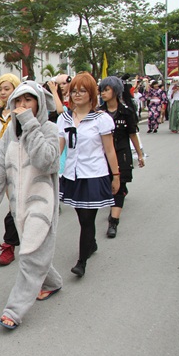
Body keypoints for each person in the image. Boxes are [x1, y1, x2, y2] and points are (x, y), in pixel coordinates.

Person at [0, 81, 63, 330]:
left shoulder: (49, 129)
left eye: (29, 100)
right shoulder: (8, 136)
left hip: (42, 205)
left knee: (29, 255)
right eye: (19, 101)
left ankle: (13, 311)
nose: (23, 105)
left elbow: (47, 161)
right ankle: (53, 282)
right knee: (33, 250)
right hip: (18, 208)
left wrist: (29, 123)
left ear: (39, 103)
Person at [57, 73, 120, 277]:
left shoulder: (101, 119)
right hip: (71, 175)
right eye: (74, 90)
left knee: (86, 219)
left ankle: (81, 262)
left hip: (94, 174)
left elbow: (109, 150)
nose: (77, 94)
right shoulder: (63, 118)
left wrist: (116, 175)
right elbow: (58, 148)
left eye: (82, 90)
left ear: (91, 93)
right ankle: (91, 244)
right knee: (82, 217)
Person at [98, 76, 145, 238]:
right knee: (108, 186)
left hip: (122, 154)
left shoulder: (126, 112)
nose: (103, 93)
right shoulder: (98, 113)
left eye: (107, 89)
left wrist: (139, 155)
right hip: (103, 156)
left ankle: (113, 222)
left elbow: (132, 134)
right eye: (101, 90)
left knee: (118, 188)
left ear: (116, 91)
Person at [0, 73, 21, 265]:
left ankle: (15, 243)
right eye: (0, 89)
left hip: (22, 165)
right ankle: (10, 246)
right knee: (14, 205)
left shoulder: (23, 111)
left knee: (19, 206)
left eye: (7, 88)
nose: (2, 92)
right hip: (4, 165)